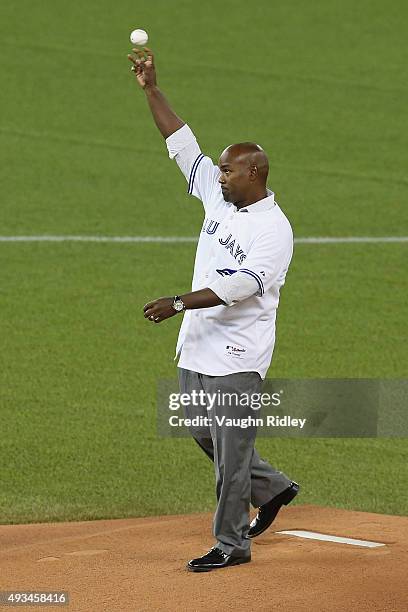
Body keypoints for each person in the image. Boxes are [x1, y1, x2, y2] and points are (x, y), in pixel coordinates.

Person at [128, 47, 299, 573]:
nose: (218, 176)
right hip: (198, 347)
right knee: (203, 433)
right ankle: (271, 488)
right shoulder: (219, 198)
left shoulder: (274, 230)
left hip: (239, 357)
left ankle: (231, 544)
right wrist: (152, 89)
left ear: (255, 172)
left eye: (227, 171)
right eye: (219, 170)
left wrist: (178, 301)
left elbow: (238, 288)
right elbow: (181, 143)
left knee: (228, 461)